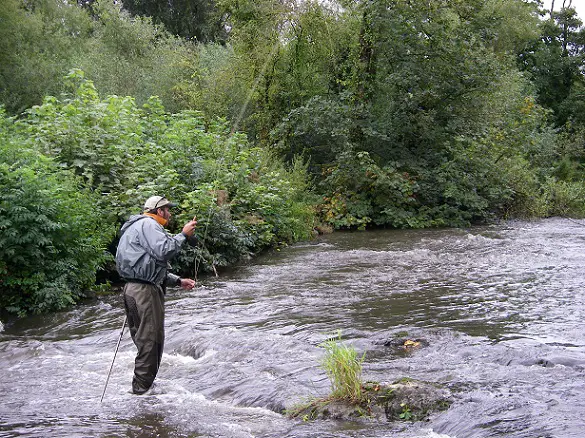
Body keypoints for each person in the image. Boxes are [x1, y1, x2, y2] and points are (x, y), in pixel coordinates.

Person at [115, 195, 198, 395]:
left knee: (144, 341)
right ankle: (141, 394)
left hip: (133, 290)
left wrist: (178, 280)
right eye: (167, 210)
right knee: (151, 342)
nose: (169, 214)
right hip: (144, 293)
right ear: (159, 211)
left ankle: (142, 389)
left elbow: (146, 266)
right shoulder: (149, 225)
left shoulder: (136, 226)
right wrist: (184, 235)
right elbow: (164, 251)